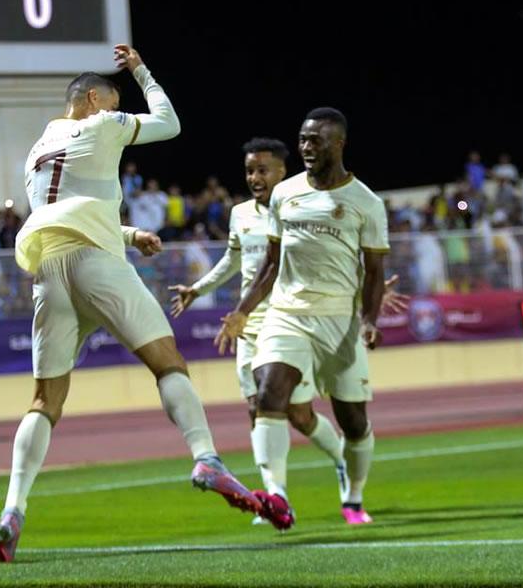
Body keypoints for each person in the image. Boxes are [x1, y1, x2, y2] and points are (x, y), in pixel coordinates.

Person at [0, 45, 273, 564]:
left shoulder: (36, 151)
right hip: (97, 263)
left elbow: (66, 211)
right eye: (110, 100)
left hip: (49, 272)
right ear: (94, 99)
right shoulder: (101, 123)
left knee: (44, 402)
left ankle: (13, 509)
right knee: (167, 364)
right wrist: (140, 70)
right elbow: (169, 123)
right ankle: (205, 457)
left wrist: (128, 232)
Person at [172, 138, 408, 523]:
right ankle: (275, 498)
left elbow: (332, 259)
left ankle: (341, 464)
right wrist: (200, 290)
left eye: (263, 170)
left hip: (299, 316)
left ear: (284, 171)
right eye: (250, 170)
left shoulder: (302, 203)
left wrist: (372, 289)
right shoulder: (241, 215)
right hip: (253, 324)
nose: (255, 178)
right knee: (259, 405)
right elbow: (234, 261)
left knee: (300, 414)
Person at [217, 107, 389, 528]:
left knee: (353, 420)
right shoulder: (285, 194)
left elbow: (374, 273)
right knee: (269, 394)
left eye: (317, 140)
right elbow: (271, 264)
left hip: (339, 321)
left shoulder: (366, 203)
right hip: (287, 313)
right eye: (304, 140)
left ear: (340, 144)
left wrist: (368, 319)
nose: (308, 147)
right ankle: (276, 499)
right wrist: (242, 311)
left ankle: (352, 497)